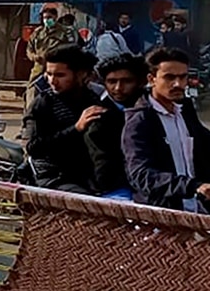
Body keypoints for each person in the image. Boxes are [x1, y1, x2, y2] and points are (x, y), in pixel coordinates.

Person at [122, 47, 210, 212]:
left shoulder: (184, 109)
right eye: (169, 77)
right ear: (152, 79)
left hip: (198, 206)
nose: (178, 84)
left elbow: (204, 143)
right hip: (162, 212)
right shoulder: (140, 120)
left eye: (182, 77)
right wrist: (192, 187)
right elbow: (141, 175)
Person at [23, 46, 102, 194]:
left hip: (86, 175)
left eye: (60, 75)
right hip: (52, 176)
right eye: (49, 74)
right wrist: (76, 128)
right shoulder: (43, 103)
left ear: (80, 75)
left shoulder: (93, 100)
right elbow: (34, 147)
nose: (53, 81)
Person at [84, 54, 146, 201]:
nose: (118, 88)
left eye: (126, 81)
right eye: (112, 81)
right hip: (118, 189)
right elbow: (104, 166)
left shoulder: (153, 109)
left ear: (140, 82)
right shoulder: (99, 118)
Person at [25, 6, 78, 107]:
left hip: (57, 69)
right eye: (45, 18)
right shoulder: (38, 33)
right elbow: (29, 49)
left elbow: (72, 49)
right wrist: (34, 57)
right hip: (39, 69)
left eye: (49, 17)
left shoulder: (64, 33)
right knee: (32, 93)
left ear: (55, 17)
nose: (47, 20)